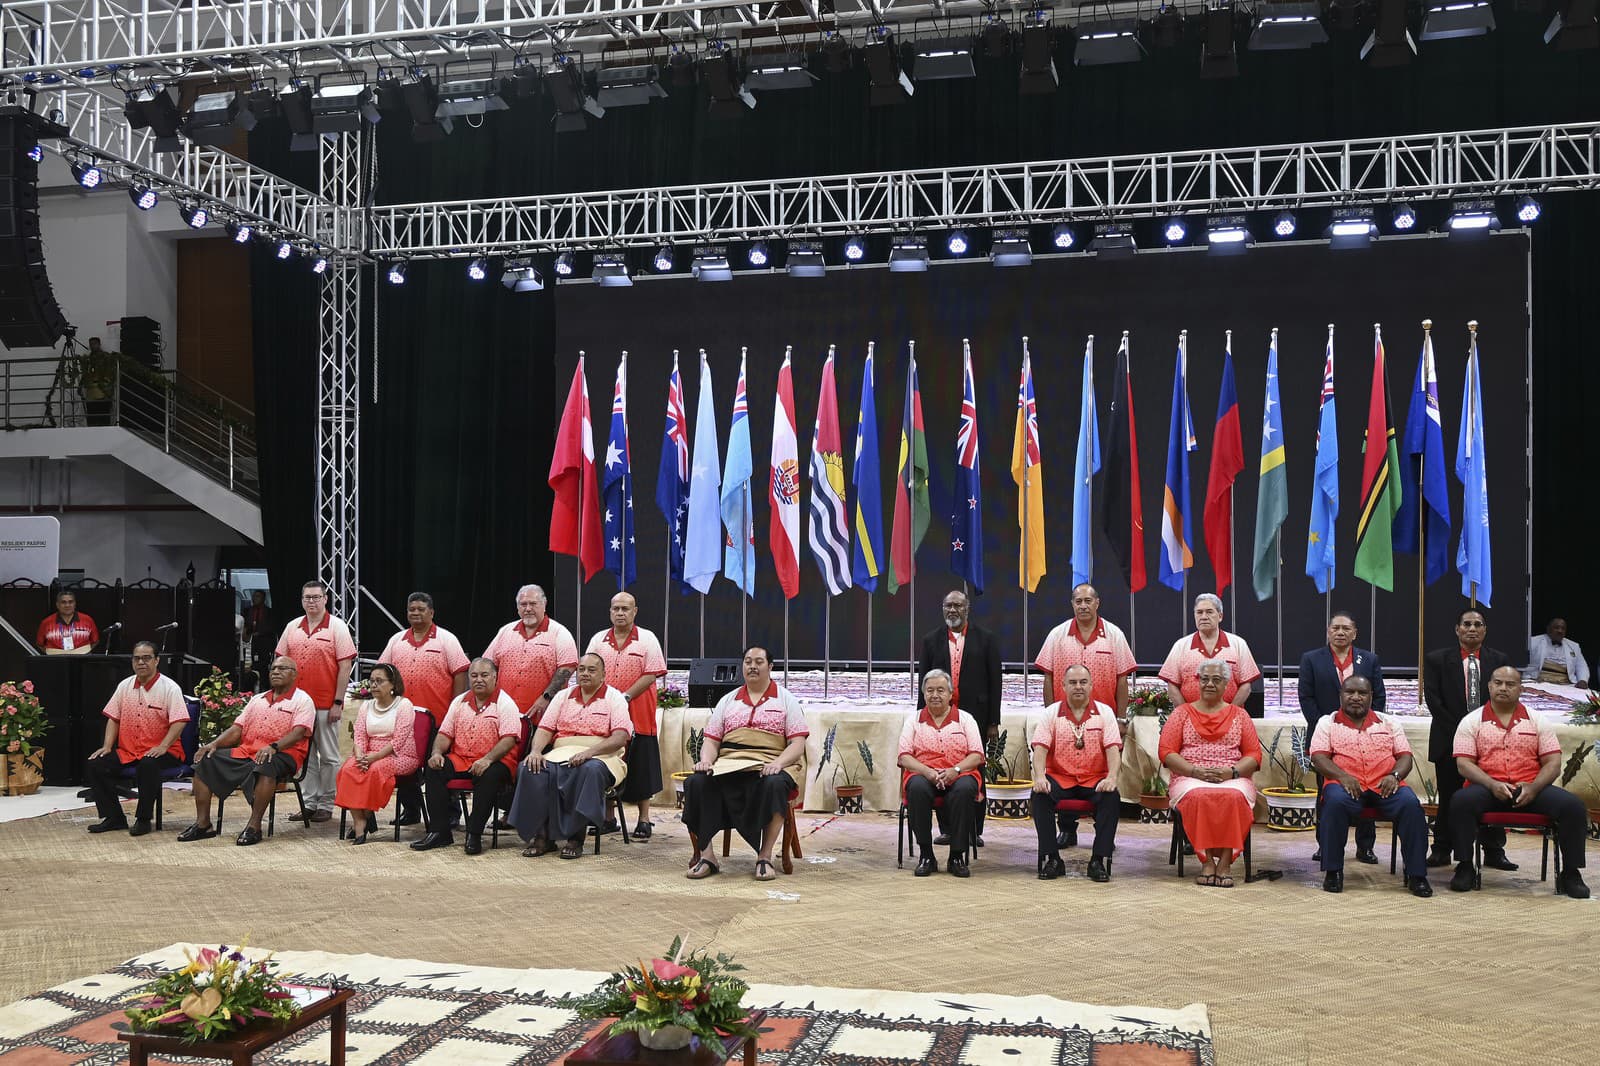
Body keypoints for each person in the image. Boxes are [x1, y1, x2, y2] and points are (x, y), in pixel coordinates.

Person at [1447, 666, 1590, 898]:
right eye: (1498, 683)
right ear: (1489, 686)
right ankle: (1465, 866)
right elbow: (1464, 764)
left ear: (1521, 689)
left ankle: (1571, 873)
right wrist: (1492, 784)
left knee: (1573, 806)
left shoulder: (1536, 720)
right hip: (1488, 788)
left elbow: (1553, 762)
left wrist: (1534, 787)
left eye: (1510, 684)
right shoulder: (1471, 721)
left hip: (1530, 789)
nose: (1504, 688)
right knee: (1461, 801)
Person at [683, 646, 808, 882]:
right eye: (748, 661)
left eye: (759, 662)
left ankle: (765, 856)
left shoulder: (786, 700)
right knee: (696, 782)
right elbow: (711, 741)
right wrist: (706, 761)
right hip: (730, 764)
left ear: (770, 667)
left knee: (775, 784)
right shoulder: (728, 700)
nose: (752, 666)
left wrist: (778, 763)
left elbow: (797, 744)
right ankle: (707, 856)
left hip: (770, 762)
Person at [1308, 675, 1432, 897]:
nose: (1356, 697)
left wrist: (1394, 775)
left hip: (1385, 784)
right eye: (1350, 692)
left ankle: (1417, 875)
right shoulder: (1327, 722)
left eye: (1362, 693)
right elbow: (1318, 757)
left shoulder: (1388, 722)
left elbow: (1405, 757)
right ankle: (1333, 871)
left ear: (1371, 697)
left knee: (1411, 805)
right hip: (1345, 785)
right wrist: (1342, 776)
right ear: (1341, 695)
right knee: (1334, 803)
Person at [1034, 582, 1137, 847]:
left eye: (1087, 601)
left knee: (1101, 778)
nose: (1083, 606)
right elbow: (1048, 678)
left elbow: (1122, 679)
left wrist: (1121, 718)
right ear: (1072, 605)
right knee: (1062, 772)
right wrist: (1050, 714)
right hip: (1064, 721)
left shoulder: (1114, 635)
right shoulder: (1057, 635)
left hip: (1102, 724)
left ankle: (1104, 835)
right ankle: (1067, 830)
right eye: (1078, 601)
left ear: (1097, 603)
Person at [178, 657, 315, 846]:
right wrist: (214, 744)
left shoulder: (302, 700)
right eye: (273, 668)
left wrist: (274, 747)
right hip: (248, 751)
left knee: (266, 765)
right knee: (204, 761)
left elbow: (299, 732)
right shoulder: (257, 699)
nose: (275, 671)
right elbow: (237, 729)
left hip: (284, 753)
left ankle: (254, 826)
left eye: (282, 668)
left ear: (294, 674)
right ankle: (203, 824)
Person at [507, 652, 631, 860]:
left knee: (587, 769)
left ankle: (576, 838)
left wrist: (589, 753)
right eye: (581, 669)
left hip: (601, 756)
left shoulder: (614, 697)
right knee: (529, 768)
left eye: (592, 670)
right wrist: (536, 751)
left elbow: (620, 737)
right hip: (560, 753)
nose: (585, 674)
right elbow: (545, 729)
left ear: (603, 675)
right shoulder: (563, 696)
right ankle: (543, 836)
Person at [1422, 607, 1513, 869]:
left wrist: (1482, 735)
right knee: (1449, 797)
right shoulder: (1437, 659)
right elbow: (1434, 702)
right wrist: (1464, 734)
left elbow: (1504, 700)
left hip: (1490, 743)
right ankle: (1441, 849)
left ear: (1485, 630)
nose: (1472, 628)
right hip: (1448, 739)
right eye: (1467, 624)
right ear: (1457, 629)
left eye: (1478, 624)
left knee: (1492, 793)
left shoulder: (1499, 660)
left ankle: (1494, 851)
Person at [1160, 659, 1263, 888]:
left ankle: (1225, 863)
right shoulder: (1181, 713)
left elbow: (1254, 755)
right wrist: (1194, 771)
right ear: (1197, 681)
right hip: (1189, 776)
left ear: (1227, 684)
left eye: (1216, 680)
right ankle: (1206, 860)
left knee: (1234, 797)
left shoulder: (1240, 715)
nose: (1209, 684)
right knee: (1199, 796)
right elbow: (1166, 752)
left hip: (1232, 776)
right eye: (1204, 679)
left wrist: (1232, 772)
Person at [1298, 612, 1387, 863]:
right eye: (1335, 628)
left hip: (1366, 738)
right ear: (1328, 631)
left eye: (1345, 628)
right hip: (1324, 737)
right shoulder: (1312, 659)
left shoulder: (1369, 659)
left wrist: (1367, 727)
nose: (1340, 632)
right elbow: (1306, 698)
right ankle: (1325, 845)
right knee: (1325, 793)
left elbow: (1378, 697)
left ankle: (1365, 846)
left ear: (1354, 633)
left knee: (1367, 788)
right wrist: (1328, 727)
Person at [916, 589, 1001, 846]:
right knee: (939, 767)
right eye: (948, 606)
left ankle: (974, 830)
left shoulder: (986, 639)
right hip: (939, 718)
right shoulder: (931, 640)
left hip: (975, 717)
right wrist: (922, 718)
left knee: (973, 771)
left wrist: (993, 721)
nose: (952, 610)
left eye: (957, 606)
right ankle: (948, 829)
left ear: (967, 609)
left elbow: (995, 681)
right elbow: (924, 682)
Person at [410, 658, 522, 856]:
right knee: (434, 768)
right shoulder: (459, 701)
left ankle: (474, 833)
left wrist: (487, 759)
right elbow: (445, 734)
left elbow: (509, 740)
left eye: (484, 675)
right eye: (474, 675)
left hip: (496, 760)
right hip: (461, 758)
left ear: (495, 677)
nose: (478, 680)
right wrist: (436, 753)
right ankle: (440, 831)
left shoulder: (505, 703)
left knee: (488, 775)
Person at [377, 592, 469, 825]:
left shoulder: (446, 639)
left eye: (420, 609)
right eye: (411, 610)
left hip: (438, 719)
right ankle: (411, 811)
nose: (415, 613)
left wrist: (455, 710)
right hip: (404, 721)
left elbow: (460, 673)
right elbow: (383, 672)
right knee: (405, 767)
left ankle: (450, 814)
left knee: (438, 767)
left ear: (431, 613)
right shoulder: (396, 640)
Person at [83, 641, 188, 836]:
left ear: (157, 661)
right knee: (96, 764)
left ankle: (143, 819)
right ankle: (114, 818)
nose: (141, 662)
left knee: (148, 765)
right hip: (130, 751)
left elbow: (180, 721)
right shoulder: (124, 686)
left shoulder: (169, 688)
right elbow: (113, 718)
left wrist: (164, 745)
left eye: (147, 658)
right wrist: (107, 746)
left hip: (164, 751)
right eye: (137, 658)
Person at [274, 580, 356, 825]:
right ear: (302, 600)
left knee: (329, 756)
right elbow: (281, 664)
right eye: (307, 597)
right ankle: (308, 803)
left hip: (325, 703)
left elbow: (345, 666)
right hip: (298, 706)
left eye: (316, 597)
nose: (312, 601)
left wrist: (338, 702)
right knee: (305, 757)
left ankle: (327, 804)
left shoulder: (337, 627)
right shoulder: (292, 627)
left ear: (325, 599)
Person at [1030, 664, 1122, 883]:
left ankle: (1098, 859)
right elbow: (1040, 749)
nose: (1078, 687)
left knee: (1111, 797)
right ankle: (1052, 858)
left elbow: (1113, 750)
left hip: (1093, 779)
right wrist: (1040, 777)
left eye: (1083, 682)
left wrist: (1111, 778)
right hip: (1061, 778)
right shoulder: (1051, 713)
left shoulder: (1104, 712)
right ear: (1063, 686)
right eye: (1072, 683)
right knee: (1039, 796)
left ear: (1091, 686)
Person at [586, 592, 667, 839]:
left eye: (625, 609)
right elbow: (589, 669)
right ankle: (608, 818)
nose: (620, 613)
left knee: (641, 767)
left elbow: (651, 674)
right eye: (616, 609)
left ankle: (644, 819)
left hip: (639, 714)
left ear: (635, 612)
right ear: (610, 611)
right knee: (607, 761)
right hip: (605, 715)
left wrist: (625, 697)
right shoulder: (598, 640)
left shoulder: (647, 639)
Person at [897, 670, 983, 879]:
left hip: (959, 773)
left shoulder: (965, 719)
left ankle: (956, 856)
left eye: (940, 690)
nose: (935, 695)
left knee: (963, 791)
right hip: (924, 774)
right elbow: (904, 757)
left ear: (951, 693)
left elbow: (977, 755)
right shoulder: (914, 720)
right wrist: (927, 771)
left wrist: (955, 770)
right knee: (916, 788)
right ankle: (926, 855)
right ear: (923, 694)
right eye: (930, 691)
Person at [333, 663, 420, 845]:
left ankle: (366, 815)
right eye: (371, 681)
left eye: (379, 681)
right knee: (348, 769)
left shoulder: (404, 705)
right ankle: (360, 819)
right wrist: (360, 756)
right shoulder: (367, 706)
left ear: (393, 685)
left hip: (400, 756)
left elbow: (399, 740)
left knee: (374, 770)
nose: (374, 685)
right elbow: (359, 735)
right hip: (369, 754)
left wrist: (374, 758)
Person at [483, 584, 580, 719]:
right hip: (503, 713)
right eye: (523, 604)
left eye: (533, 604)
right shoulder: (505, 631)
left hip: (543, 715)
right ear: (517, 608)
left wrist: (546, 698)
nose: (528, 609)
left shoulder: (560, 633)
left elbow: (566, 670)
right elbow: (487, 665)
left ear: (544, 605)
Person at [1159, 593, 1261, 707]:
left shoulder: (1238, 644)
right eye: (1199, 612)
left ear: (1220, 616)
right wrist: (1187, 714)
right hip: (1191, 719)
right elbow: (1172, 685)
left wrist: (1229, 713)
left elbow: (1246, 685)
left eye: (1209, 612)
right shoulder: (1181, 645)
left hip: (1230, 718)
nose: (1203, 616)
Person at [1525, 617, 1588, 688]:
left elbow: (1581, 666)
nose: (1560, 631)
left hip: (1566, 686)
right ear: (1548, 629)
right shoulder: (1533, 642)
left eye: (1563, 628)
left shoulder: (1574, 646)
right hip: (1538, 683)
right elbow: (1520, 663)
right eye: (1556, 627)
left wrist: (1583, 680)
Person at [36, 589, 99, 654]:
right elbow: (40, 644)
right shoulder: (46, 622)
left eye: (70, 602)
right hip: (55, 659)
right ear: (57, 605)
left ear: (75, 604)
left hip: (82, 658)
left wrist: (85, 653)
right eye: (63, 602)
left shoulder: (87, 620)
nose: (67, 605)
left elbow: (95, 641)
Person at [242, 590, 273, 671]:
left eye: (257, 596)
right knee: (251, 664)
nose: (254, 598)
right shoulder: (247, 611)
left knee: (263, 665)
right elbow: (244, 624)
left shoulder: (269, 612)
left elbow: (271, 627)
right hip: (250, 641)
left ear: (263, 598)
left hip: (264, 642)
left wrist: (260, 633)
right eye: (254, 596)